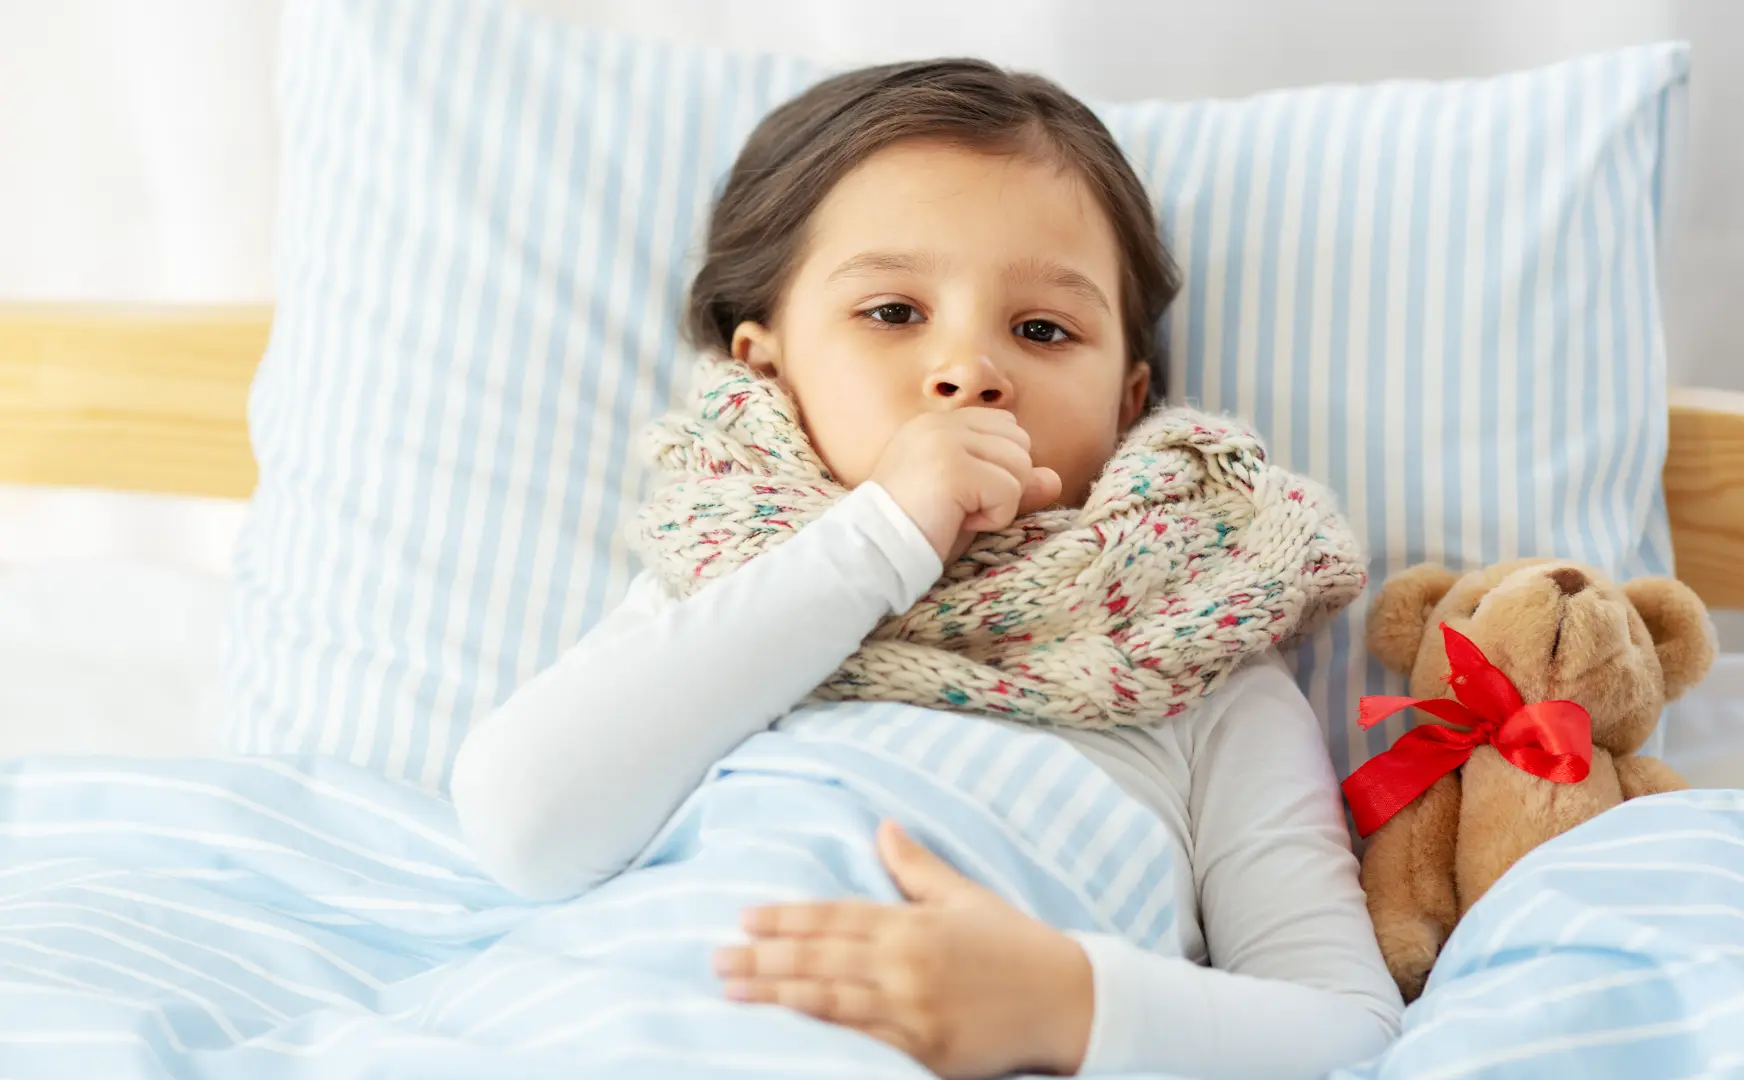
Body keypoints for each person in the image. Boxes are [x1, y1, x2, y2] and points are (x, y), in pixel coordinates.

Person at [450, 58, 1402, 1080]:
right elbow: (524, 828)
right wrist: (879, 541)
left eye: (1042, 330)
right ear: (767, 366)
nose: (970, 371)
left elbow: (1349, 1024)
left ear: (1128, 405)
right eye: (892, 312)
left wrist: (1072, 1006)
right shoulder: (728, 588)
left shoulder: (1197, 659)